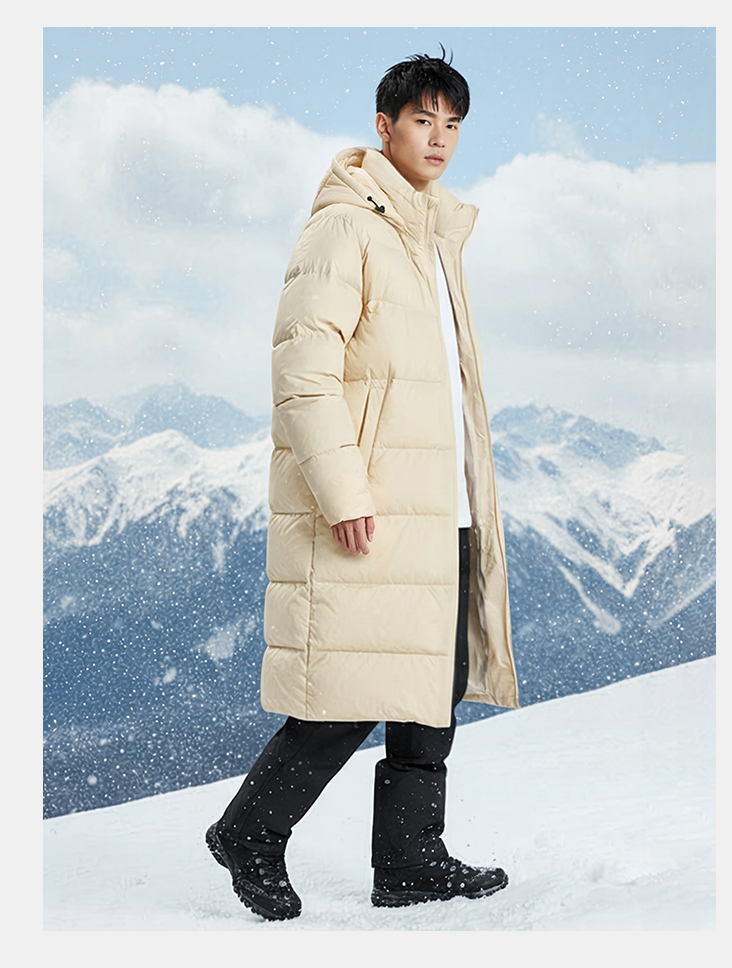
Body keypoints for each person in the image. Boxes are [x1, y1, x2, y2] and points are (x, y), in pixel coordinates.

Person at [206, 48, 520, 921]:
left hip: (441, 505)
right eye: (423, 120)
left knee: (430, 689)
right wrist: (344, 491)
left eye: (452, 124)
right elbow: (303, 375)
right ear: (384, 127)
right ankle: (249, 832)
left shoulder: (435, 234)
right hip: (374, 506)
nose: (439, 139)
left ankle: (410, 861)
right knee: (345, 696)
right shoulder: (344, 228)